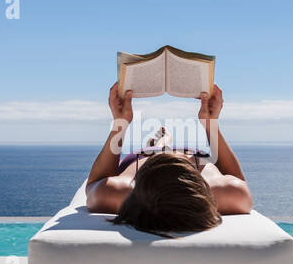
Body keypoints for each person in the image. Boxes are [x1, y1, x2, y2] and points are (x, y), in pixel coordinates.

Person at [84, 82, 253, 234]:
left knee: (158, 148)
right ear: (194, 178)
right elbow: (235, 179)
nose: (170, 156)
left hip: (144, 155)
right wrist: (210, 124)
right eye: (179, 162)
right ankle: (164, 143)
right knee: (163, 148)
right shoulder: (225, 193)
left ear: (142, 181)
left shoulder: (120, 193)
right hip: (192, 156)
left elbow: (94, 183)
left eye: (163, 160)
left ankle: (160, 143)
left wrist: (120, 122)